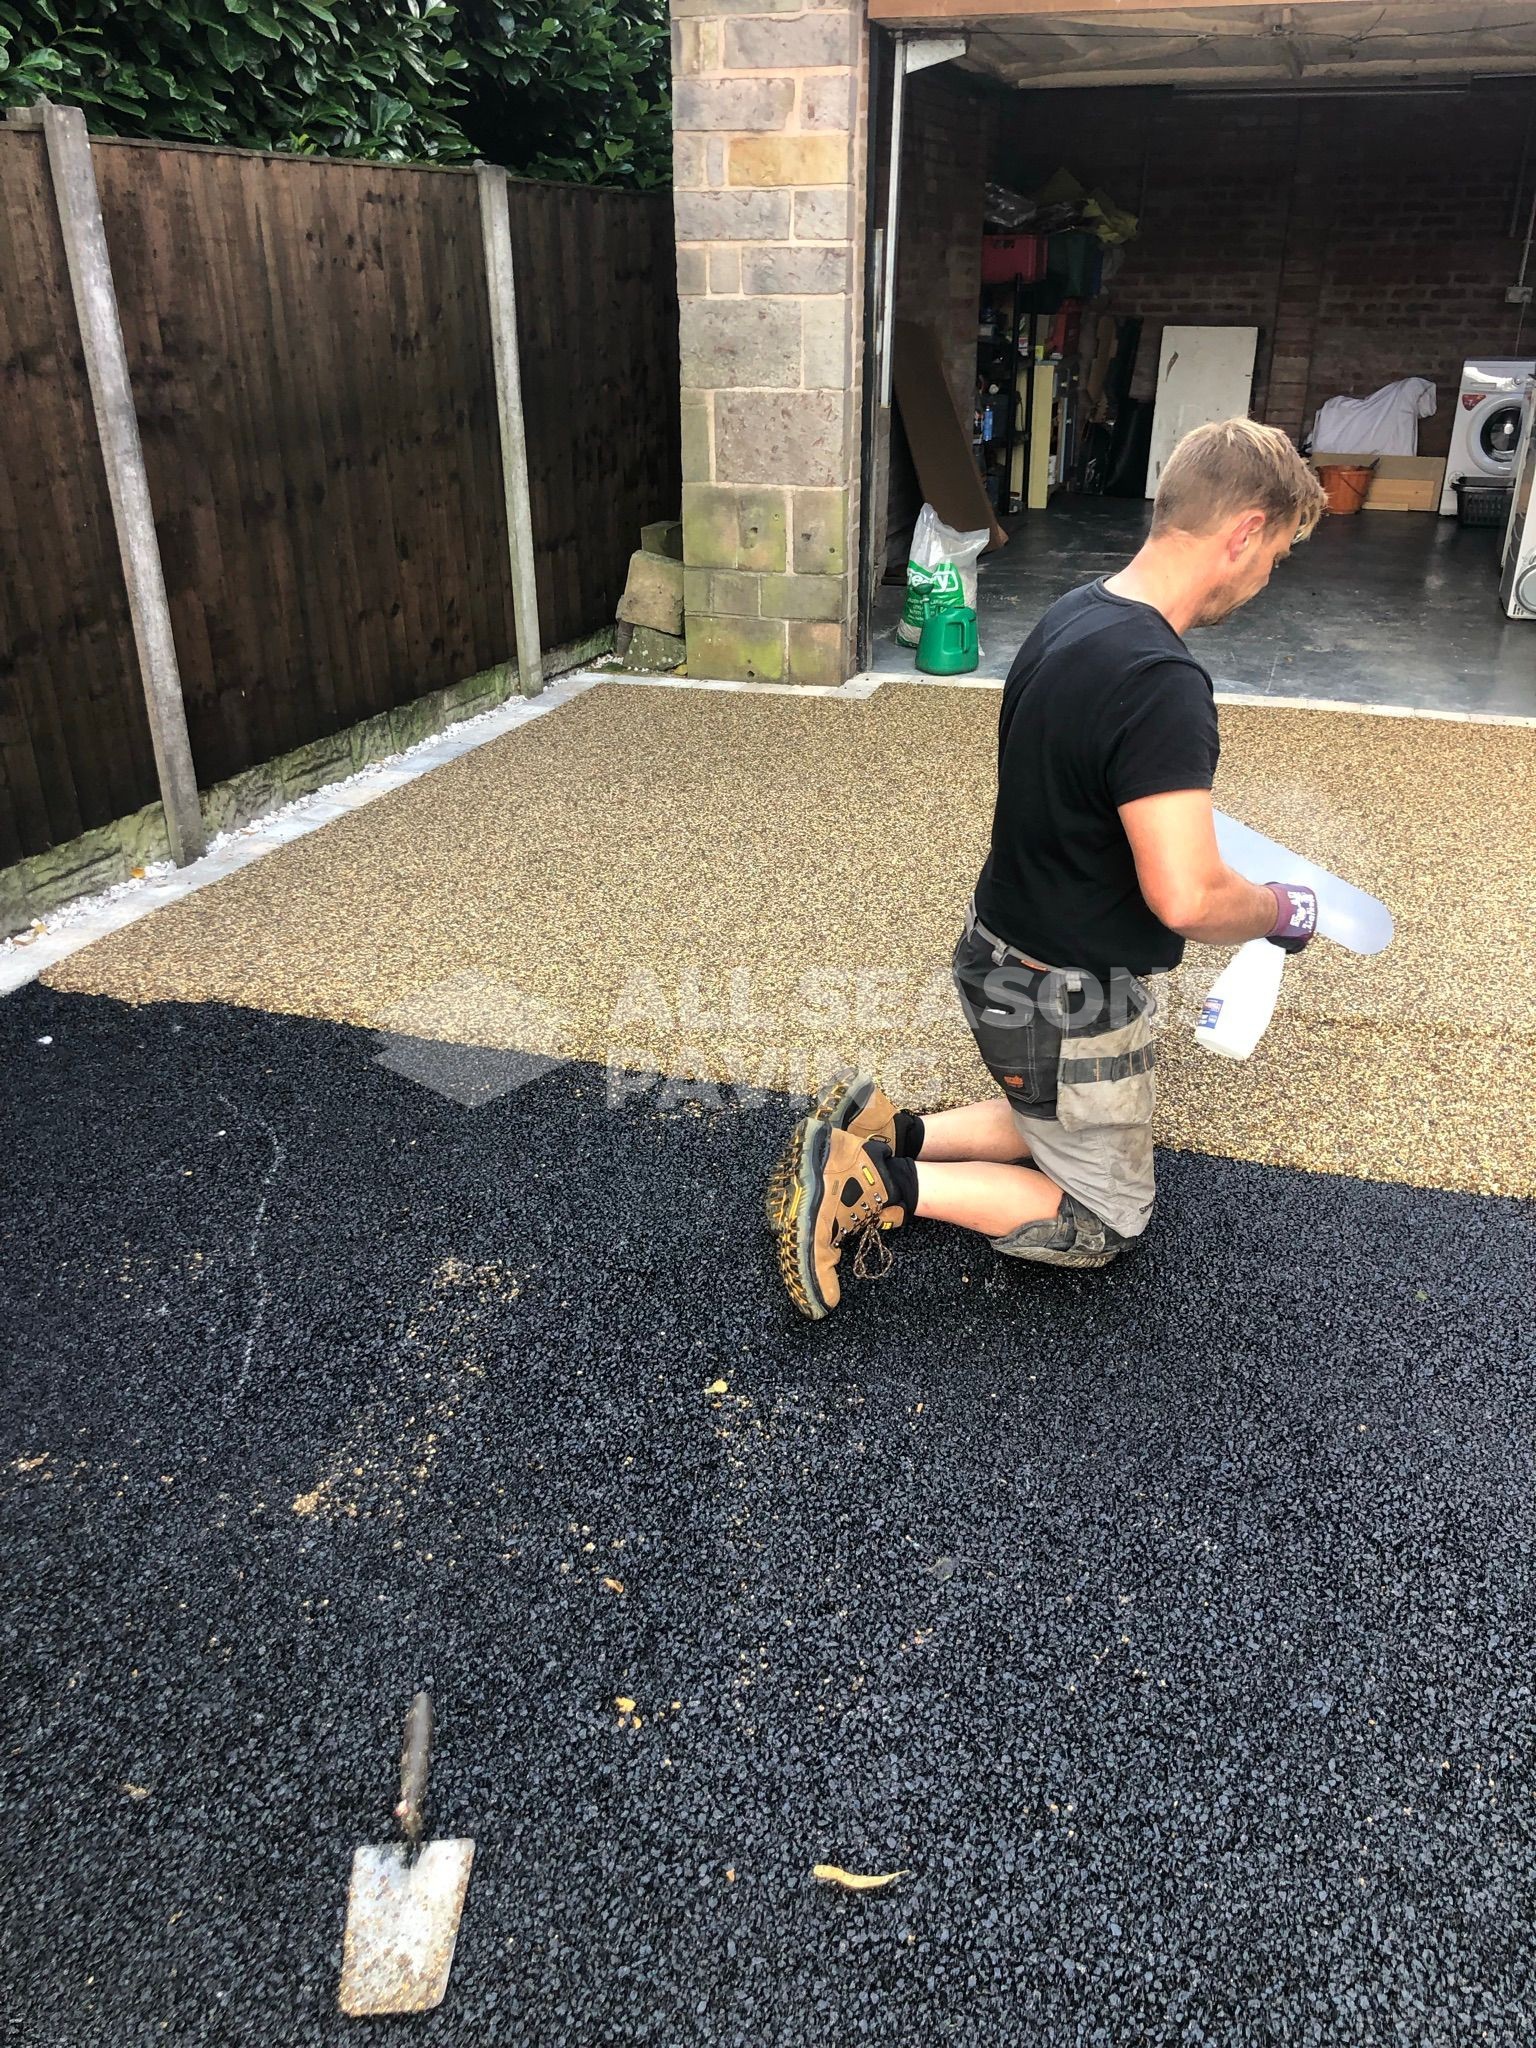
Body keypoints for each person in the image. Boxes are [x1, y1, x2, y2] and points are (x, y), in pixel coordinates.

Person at [768, 418, 1328, 1321]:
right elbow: (1186, 896)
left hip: (999, 948)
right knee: (1104, 1221)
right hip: (1063, 997)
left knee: (1054, 1117)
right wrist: (1277, 910)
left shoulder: (1078, 612)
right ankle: (873, 1183)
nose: (1268, 577)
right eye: (1277, 555)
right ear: (1245, 532)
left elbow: (1095, 796)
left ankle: (887, 1130)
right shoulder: (1163, 682)